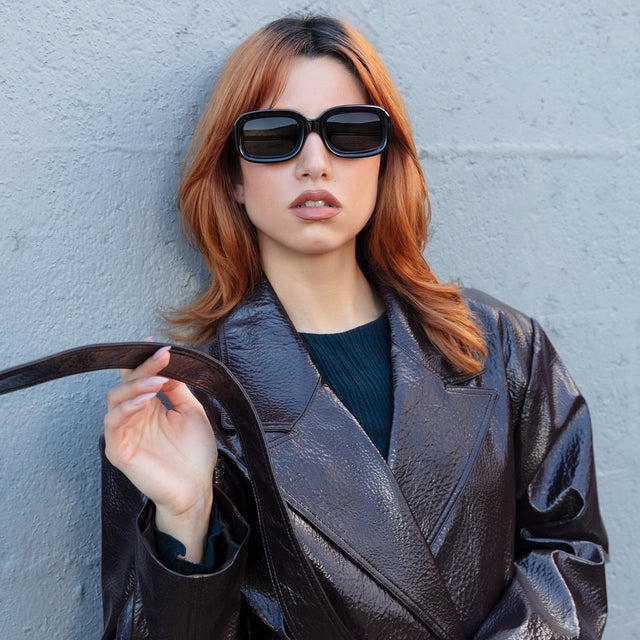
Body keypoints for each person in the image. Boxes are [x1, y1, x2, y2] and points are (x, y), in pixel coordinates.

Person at [100, 15, 608, 640]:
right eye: (272, 137)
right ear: (232, 175)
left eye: (350, 132)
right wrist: (186, 517)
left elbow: (570, 559)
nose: (316, 163)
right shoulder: (185, 403)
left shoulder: (503, 347)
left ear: (384, 158)